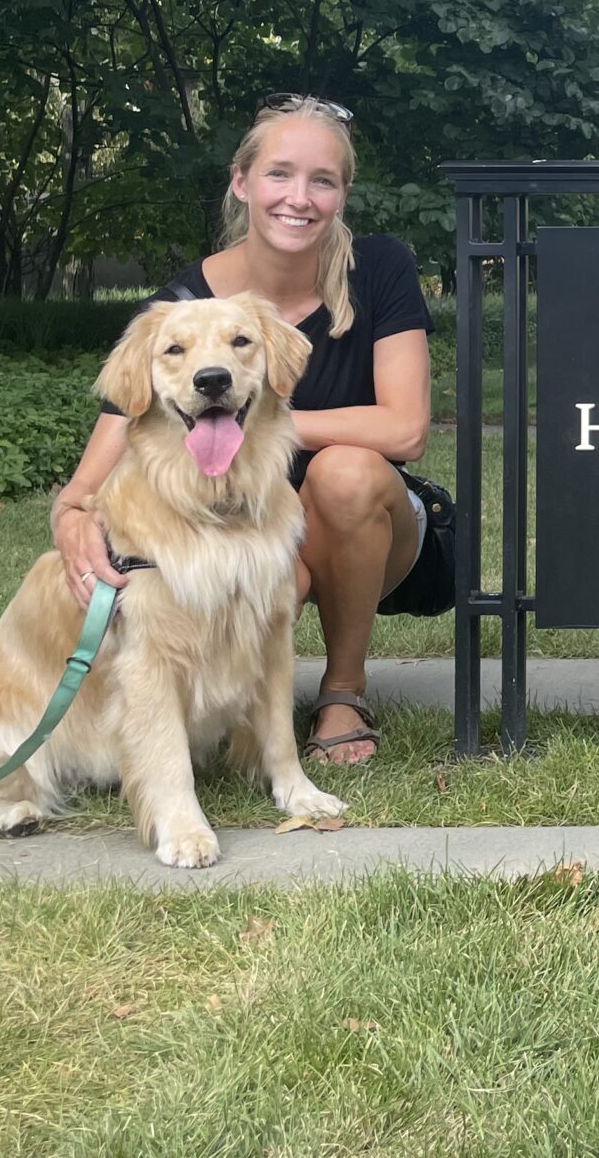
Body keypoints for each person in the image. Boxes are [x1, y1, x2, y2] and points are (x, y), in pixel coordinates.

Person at [49, 95, 432, 766]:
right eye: (279, 174)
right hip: (255, 541)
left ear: (342, 195)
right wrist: (72, 518)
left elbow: (404, 430)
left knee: (346, 470)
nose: (299, 198)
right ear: (242, 183)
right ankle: (236, 716)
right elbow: (94, 470)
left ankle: (343, 691)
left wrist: (257, 423)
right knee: (271, 577)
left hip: (370, 526)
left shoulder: (382, 268)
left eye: (323, 181)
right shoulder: (183, 309)